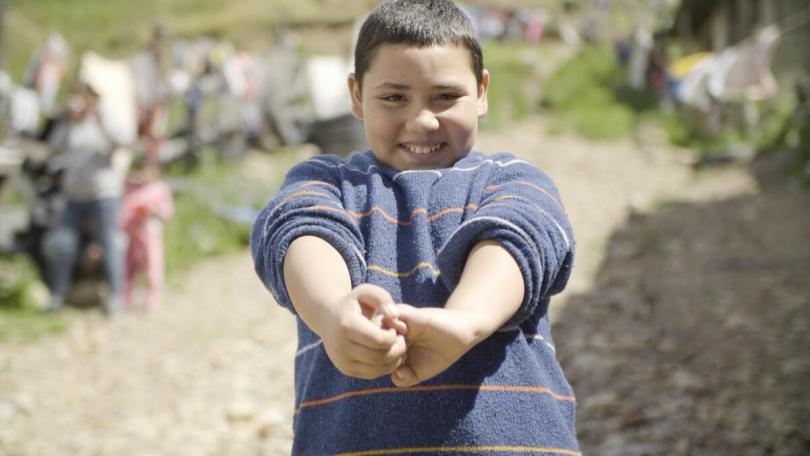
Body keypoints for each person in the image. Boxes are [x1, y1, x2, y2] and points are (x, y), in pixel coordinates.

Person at [251, 0, 578, 453]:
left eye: (445, 96)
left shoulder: (512, 179)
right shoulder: (324, 182)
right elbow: (298, 231)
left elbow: (520, 239)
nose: (422, 120)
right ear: (356, 95)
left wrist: (464, 322)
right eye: (394, 97)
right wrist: (332, 313)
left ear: (481, 91)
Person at [43, 81, 127, 314]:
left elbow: (123, 140)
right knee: (63, 243)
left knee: (108, 243)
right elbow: (53, 148)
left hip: (103, 193)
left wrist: (98, 118)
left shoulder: (105, 117)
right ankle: (57, 295)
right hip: (74, 195)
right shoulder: (70, 122)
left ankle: (116, 296)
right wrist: (70, 121)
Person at [120, 157, 174, 310]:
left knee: (152, 266)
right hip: (133, 234)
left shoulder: (159, 189)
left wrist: (154, 210)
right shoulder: (132, 189)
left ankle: (151, 299)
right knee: (129, 267)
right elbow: (125, 209)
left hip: (151, 233)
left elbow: (167, 212)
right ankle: (126, 298)